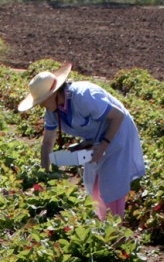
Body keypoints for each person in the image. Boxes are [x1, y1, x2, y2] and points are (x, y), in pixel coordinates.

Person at [19, 63, 145, 219]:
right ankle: (103, 224)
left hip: (118, 134)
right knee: (95, 185)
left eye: (43, 101)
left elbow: (118, 116)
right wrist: (45, 175)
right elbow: (47, 143)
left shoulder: (84, 96)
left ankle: (116, 232)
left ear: (54, 94)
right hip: (98, 139)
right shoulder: (52, 111)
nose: (42, 105)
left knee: (112, 185)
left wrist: (104, 145)